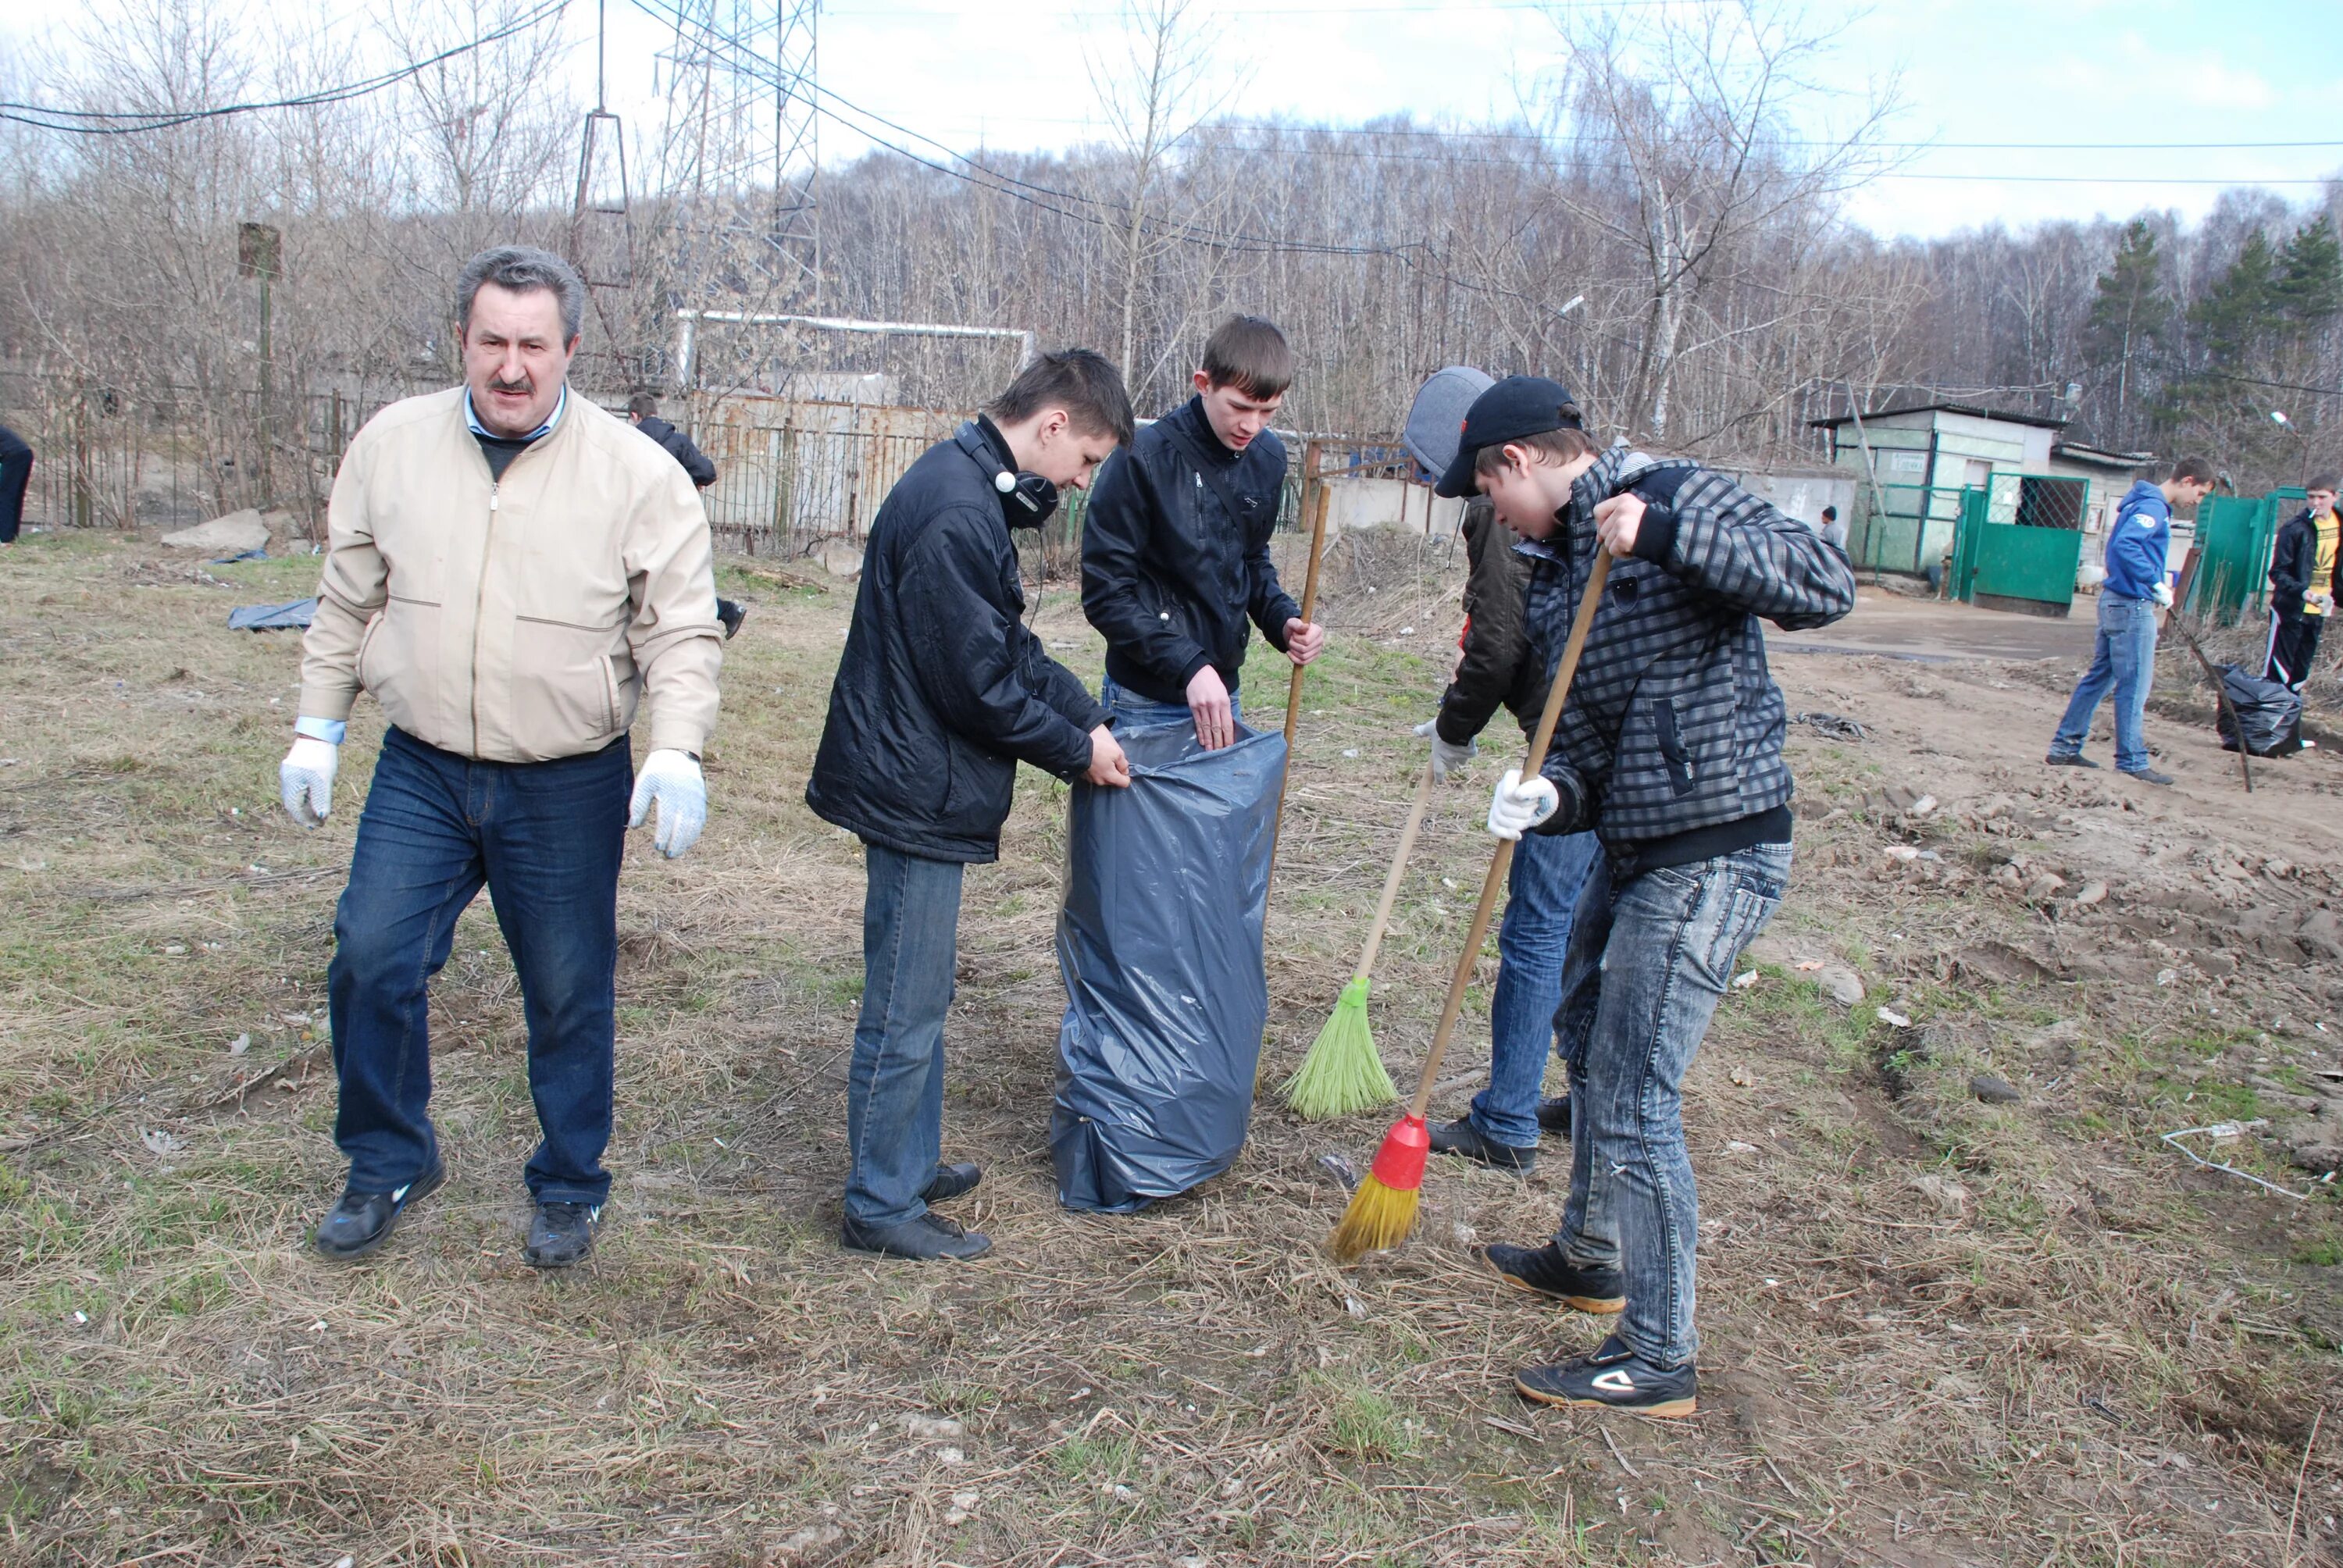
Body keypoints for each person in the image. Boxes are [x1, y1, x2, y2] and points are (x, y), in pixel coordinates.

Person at [281, 246, 723, 1270]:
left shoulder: (637, 475)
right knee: (373, 956)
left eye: (534, 344)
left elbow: (680, 629)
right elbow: (347, 596)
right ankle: (388, 1157)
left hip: (567, 778)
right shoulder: (391, 446)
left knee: (567, 987)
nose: (512, 366)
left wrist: (677, 748)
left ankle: (570, 1181)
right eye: (493, 342)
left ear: (570, 349)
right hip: (424, 768)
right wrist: (318, 722)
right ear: (463, 344)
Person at [1435, 375, 1855, 1417]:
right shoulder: (1571, 556)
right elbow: (1584, 734)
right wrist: (1549, 793)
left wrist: (1667, 532)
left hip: (1716, 847)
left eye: (1492, 498)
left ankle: (1659, 1354)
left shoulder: (1676, 498)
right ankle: (1588, 1255)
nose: (1497, 522)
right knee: (1583, 1030)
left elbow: (1822, 581)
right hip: (1638, 845)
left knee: (1630, 1090)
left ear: (1516, 465)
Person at [804, 349, 1137, 1262]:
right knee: (905, 1004)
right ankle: (879, 1202)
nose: (1079, 484)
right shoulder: (956, 507)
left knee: (923, 991)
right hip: (916, 788)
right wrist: (1078, 752)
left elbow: (1004, 649)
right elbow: (978, 687)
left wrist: (1084, 711)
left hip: (926, 780)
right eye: (1086, 461)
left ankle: (905, 1160)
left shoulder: (969, 488)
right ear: (1055, 424)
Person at [1404, 373, 1597, 1174]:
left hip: (1572, 748)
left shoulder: (1504, 508)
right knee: (1590, 930)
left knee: (1539, 929)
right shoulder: (1565, 501)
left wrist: (1455, 729)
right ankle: (1588, 1098)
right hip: (1587, 744)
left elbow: (1497, 644)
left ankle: (1509, 1118)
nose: (1460, 496)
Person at [1079, 315, 1325, 747]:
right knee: (1143, 817)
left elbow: (1250, 563)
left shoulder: (1267, 457)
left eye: (1268, 411)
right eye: (1240, 407)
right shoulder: (1142, 459)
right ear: (1203, 383)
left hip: (1223, 694)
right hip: (1145, 698)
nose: (1252, 425)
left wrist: (1282, 620)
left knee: (1216, 816)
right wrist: (1187, 664)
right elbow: (1106, 594)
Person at [2045, 458, 2218, 783]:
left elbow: (2126, 546)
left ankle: (2064, 746)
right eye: (2200, 493)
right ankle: (2132, 760)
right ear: (2188, 480)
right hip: (2132, 605)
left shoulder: (2142, 503)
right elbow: (2126, 546)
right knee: (2134, 685)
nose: (2198, 501)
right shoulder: (2153, 507)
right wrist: (2154, 581)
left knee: (2100, 678)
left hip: (2116, 601)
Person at [626, 392, 747, 642]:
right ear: (656, 413)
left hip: (635, 520)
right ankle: (725, 611)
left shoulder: (628, 442)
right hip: (674, 520)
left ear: (634, 416)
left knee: (653, 582)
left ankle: (724, 611)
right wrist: (691, 481)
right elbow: (707, 471)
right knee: (672, 580)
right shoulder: (677, 441)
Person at [2268, 477, 2341, 692]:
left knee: (2301, 672)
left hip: (2320, 608)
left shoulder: (2339, 524)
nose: (2316, 503)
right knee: (2279, 673)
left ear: (2335, 497)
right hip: (2291, 609)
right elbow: (2278, 572)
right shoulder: (2294, 529)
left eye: (2322, 497)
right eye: (2311, 497)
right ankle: (2269, 718)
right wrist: (2302, 592)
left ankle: (2291, 717)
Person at [0, 422, 31, 544]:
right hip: (25, 453)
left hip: (13, 456)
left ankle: (6, 538)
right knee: (15, 496)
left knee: (6, 497)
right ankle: (12, 536)